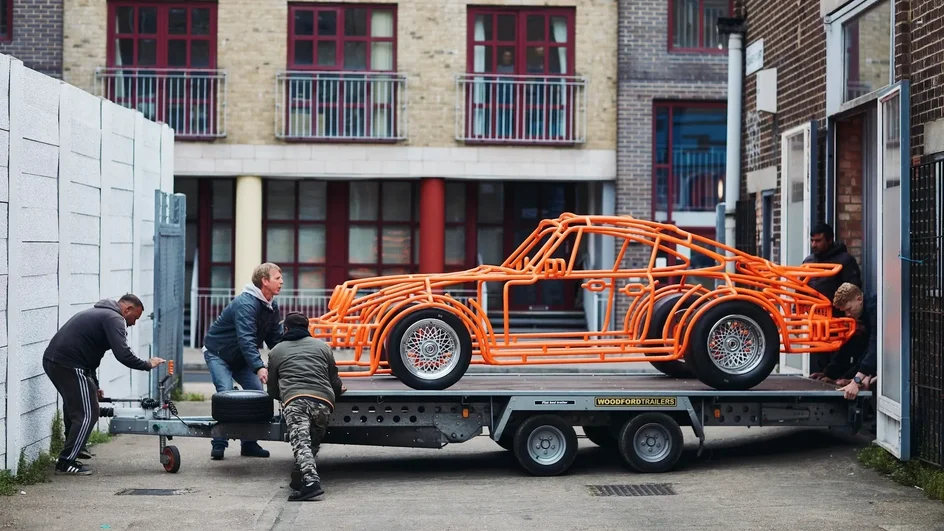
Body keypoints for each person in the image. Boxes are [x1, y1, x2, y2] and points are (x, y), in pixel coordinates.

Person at [43, 294, 165, 475]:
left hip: (56, 361)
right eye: (135, 318)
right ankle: (66, 461)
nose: (133, 323)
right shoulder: (115, 318)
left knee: (76, 407)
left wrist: (94, 384)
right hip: (68, 364)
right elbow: (123, 354)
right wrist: (148, 364)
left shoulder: (101, 314)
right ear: (127, 310)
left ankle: (75, 449)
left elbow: (92, 357)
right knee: (88, 412)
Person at [203, 262, 285, 460]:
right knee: (226, 394)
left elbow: (274, 338)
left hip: (241, 358)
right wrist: (258, 366)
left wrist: (288, 358)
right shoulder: (246, 304)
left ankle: (249, 443)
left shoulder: (271, 304)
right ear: (264, 281)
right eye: (277, 278)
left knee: (256, 395)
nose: (282, 281)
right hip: (219, 354)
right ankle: (219, 443)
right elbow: (246, 338)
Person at [267, 312, 345, 502]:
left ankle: (311, 484)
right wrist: (336, 391)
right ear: (306, 328)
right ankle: (300, 475)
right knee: (311, 444)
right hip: (323, 403)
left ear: (286, 329)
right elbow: (334, 380)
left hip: (296, 401)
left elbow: (271, 388)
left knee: (301, 444)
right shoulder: (323, 347)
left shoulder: (276, 351)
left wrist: (283, 397)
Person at [825, 283, 879, 400]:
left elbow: (876, 346)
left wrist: (855, 381)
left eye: (849, 309)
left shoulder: (874, 309)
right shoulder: (866, 311)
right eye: (844, 311)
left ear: (859, 299)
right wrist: (850, 378)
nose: (848, 314)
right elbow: (868, 349)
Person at [802, 222, 863, 303]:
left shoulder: (845, 261)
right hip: (811, 312)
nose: (813, 245)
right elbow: (800, 290)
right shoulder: (808, 262)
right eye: (812, 240)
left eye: (818, 241)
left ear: (830, 240)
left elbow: (853, 291)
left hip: (836, 312)